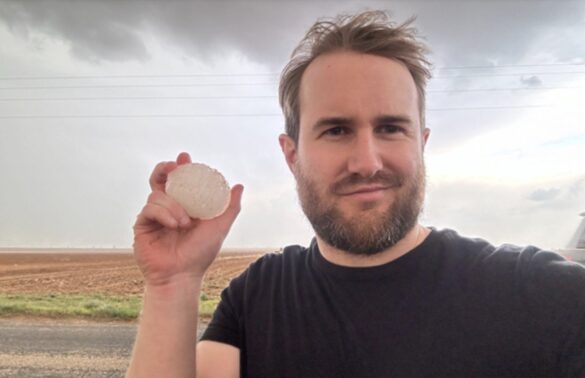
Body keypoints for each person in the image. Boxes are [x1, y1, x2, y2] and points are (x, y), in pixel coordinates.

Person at [126, 11, 585, 378]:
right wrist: (173, 284)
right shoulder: (257, 299)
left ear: (420, 144)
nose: (367, 161)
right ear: (291, 155)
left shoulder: (538, 293)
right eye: (336, 130)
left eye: (390, 128)